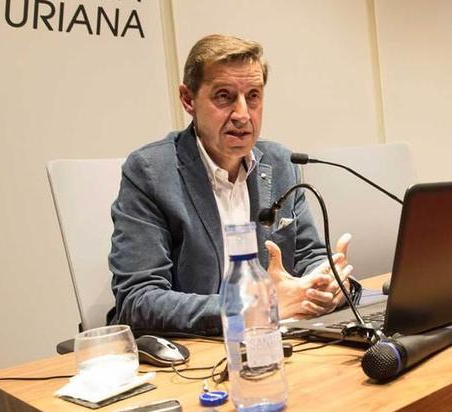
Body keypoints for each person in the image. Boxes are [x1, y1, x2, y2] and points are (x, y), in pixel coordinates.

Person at [108, 34, 356, 335]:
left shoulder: (279, 164)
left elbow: (309, 256)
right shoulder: (150, 173)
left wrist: (326, 282)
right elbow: (138, 301)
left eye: (253, 96)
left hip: (279, 342)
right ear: (188, 99)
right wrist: (257, 306)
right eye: (224, 96)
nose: (242, 115)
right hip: (196, 355)